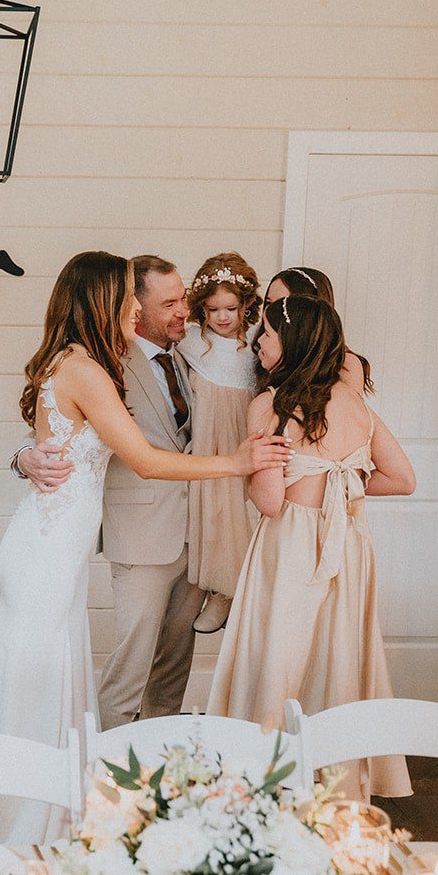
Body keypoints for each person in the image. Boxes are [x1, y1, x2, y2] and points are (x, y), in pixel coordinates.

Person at [0, 251, 291, 844]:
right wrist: (236, 463)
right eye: (129, 298)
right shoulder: (88, 370)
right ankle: (12, 805)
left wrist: (29, 455)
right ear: (104, 301)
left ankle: (44, 791)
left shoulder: (83, 361)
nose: (137, 308)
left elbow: (62, 437)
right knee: (38, 668)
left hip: (56, 542)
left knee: (45, 664)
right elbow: (147, 462)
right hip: (50, 547)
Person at [206, 295, 415, 802]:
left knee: (280, 649)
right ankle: (336, 784)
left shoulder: (272, 406)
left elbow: (272, 501)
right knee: (339, 653)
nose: (258, 344)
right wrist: (347, 484)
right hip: (349, 544)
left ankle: (262, 779)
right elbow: (404, 478)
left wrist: (254, 479)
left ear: (292, 341)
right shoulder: (358, 407)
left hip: (294, 545)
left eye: (268, 336)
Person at [19, 254, 234, 730]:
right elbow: (61, 426)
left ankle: (159, 771)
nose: (185, 311)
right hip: (140, 535)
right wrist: (23, 457)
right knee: (130, 667)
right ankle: (108, 768)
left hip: (195, 535)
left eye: (184, 299)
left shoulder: (197, 353)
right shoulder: (106, 360)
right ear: (134, 306)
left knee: (174, 667)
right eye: (170, 303)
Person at [180, 253, 264, 635]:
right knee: (211, 513)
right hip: (208, 445)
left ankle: (238, 591)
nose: (223, 317)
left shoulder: (258, 344)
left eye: (231, 308)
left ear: (246, 304)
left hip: (243, 440)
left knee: (242, 513)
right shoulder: (193, 342)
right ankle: (216, 587)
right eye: (213, 309)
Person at [262, 266, 372, 393]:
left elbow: (347, 411)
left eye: (282, 304)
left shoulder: (346, 365)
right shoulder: (264, 349)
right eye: (269, 303)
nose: (270, 311)